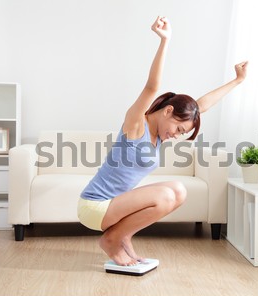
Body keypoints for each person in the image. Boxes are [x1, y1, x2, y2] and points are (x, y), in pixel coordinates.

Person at [78, 16, 248, 266]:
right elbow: (151, 87)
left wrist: (238, 81)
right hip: (95, 206)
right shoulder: (136, 124)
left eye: (182, 133)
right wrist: (165, 40)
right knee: (167, 196)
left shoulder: (160, 135)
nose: (177, 135)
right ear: (168, 111)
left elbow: (201, 106)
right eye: (179, 128)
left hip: (114, 205)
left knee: (178, 190)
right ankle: (112, 239)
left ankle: (123, 237)